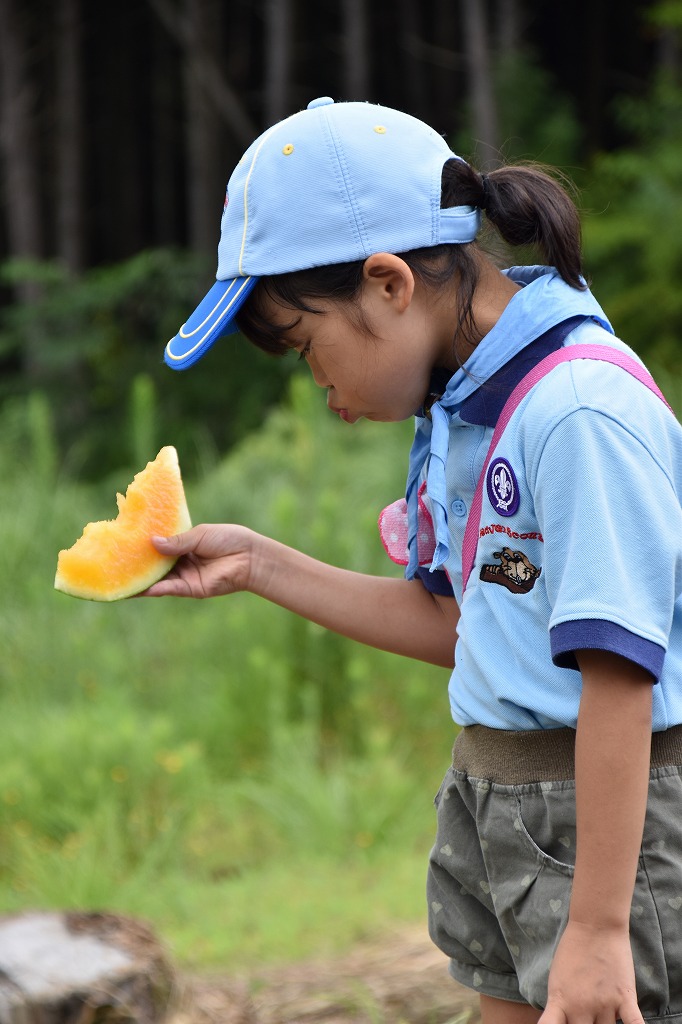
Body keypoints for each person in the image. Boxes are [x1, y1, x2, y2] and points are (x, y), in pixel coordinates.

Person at [146, 97, 682, 1023]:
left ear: (389, 283)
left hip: (604, 836)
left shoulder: (578, 412)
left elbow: (619, 677)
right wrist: (259, 564)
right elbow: (465, 626)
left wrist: (599, 927)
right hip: (497, 798)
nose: (320, 383)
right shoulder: (463, 414)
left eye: (308, 347)